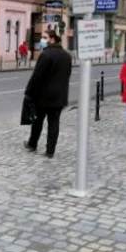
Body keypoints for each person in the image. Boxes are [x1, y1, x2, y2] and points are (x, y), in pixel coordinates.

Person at [23, 30, 73, 158]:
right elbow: (67, 76)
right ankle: (50, 151)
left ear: (52, 39)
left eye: (44, 37)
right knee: (54, 123)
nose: (42, 40)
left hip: (44, 96)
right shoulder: (67, 56)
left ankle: (32, 144)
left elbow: (37, 77)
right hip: (60, 96)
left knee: (38, 121)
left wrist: (29, 92)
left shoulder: (45, 55)